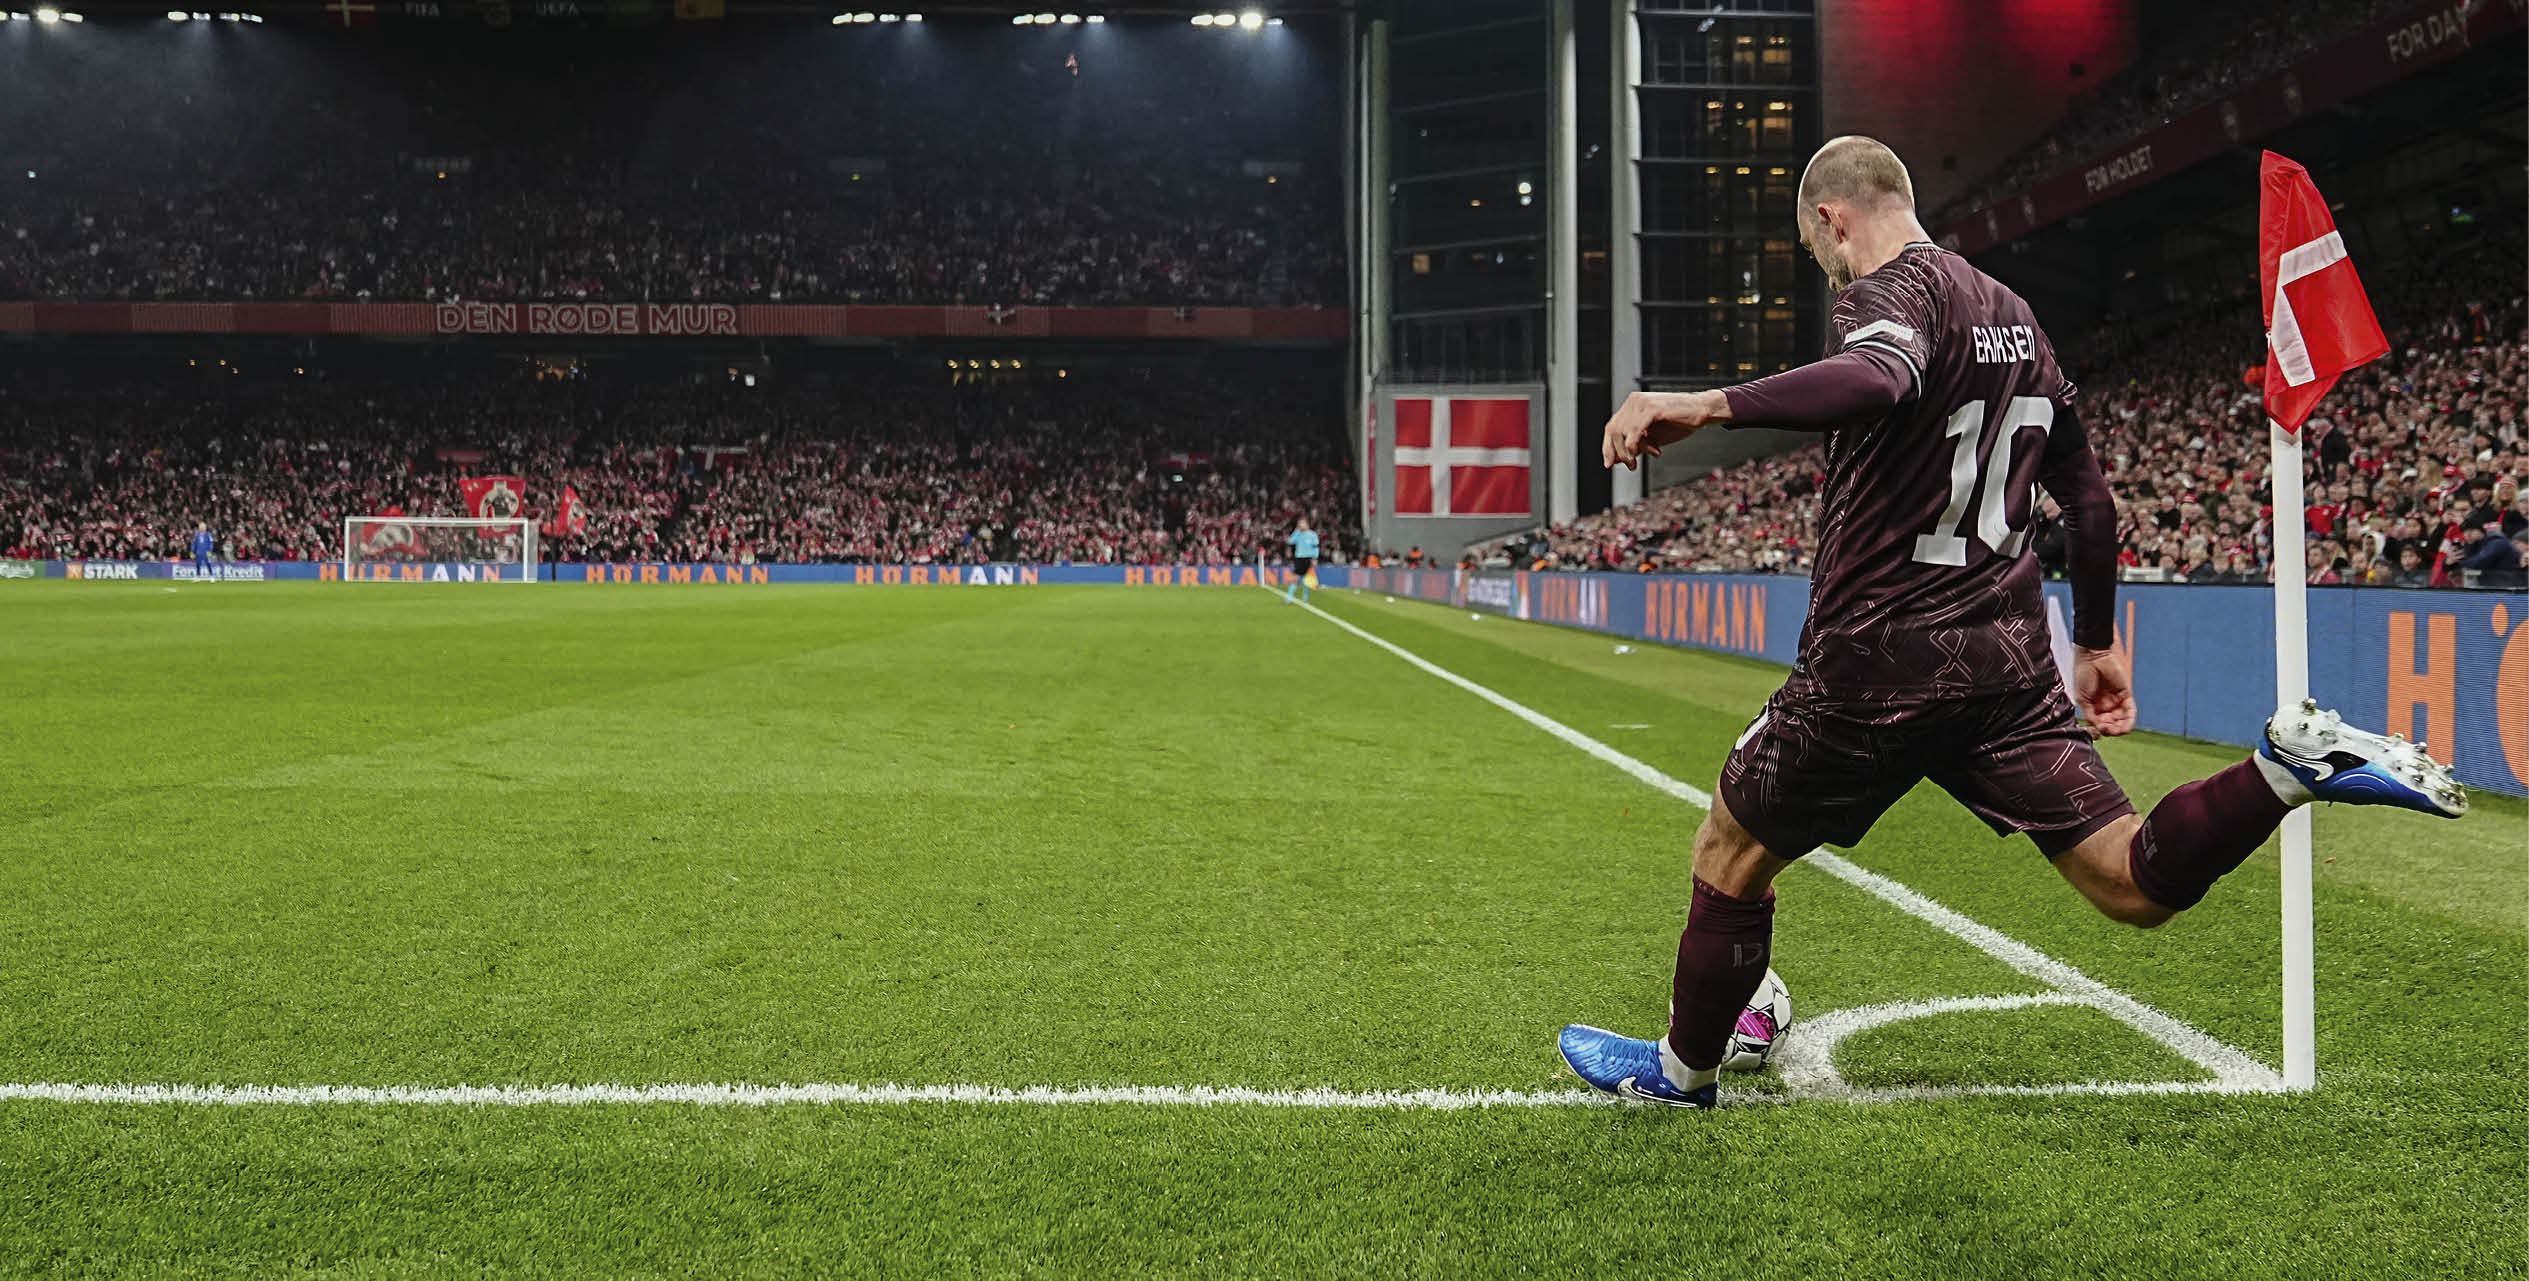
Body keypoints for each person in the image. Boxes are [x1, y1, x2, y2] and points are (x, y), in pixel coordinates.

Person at [1558, 136, 2468, 1110]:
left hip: (1876, 663)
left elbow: (1882, 379)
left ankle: (1683, 1074)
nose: (1824, 264)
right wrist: (2094, 640)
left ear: (1832, 218)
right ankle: (2285, 769)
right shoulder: (2015, 317)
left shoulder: (1887, 295)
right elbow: (2091, 502)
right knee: (2129, 881)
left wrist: (1706, 404)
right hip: (2006, 666)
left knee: (1732, 851)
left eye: (1815, 243)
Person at [1283, 518, 1320, 604]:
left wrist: (1315, 558)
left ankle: (1305, 598)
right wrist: (1296, 531)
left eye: (1302, 523)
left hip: (1309, 558)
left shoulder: (1312, 534)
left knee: (1307, 579)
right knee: (1295, 578)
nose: (1300, 525)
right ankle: (1289, 597)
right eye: (1299, 524)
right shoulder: (1298, 534)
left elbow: (1316, 547)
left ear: (1307, 524)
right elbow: (1290, 541)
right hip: (1299, 558)